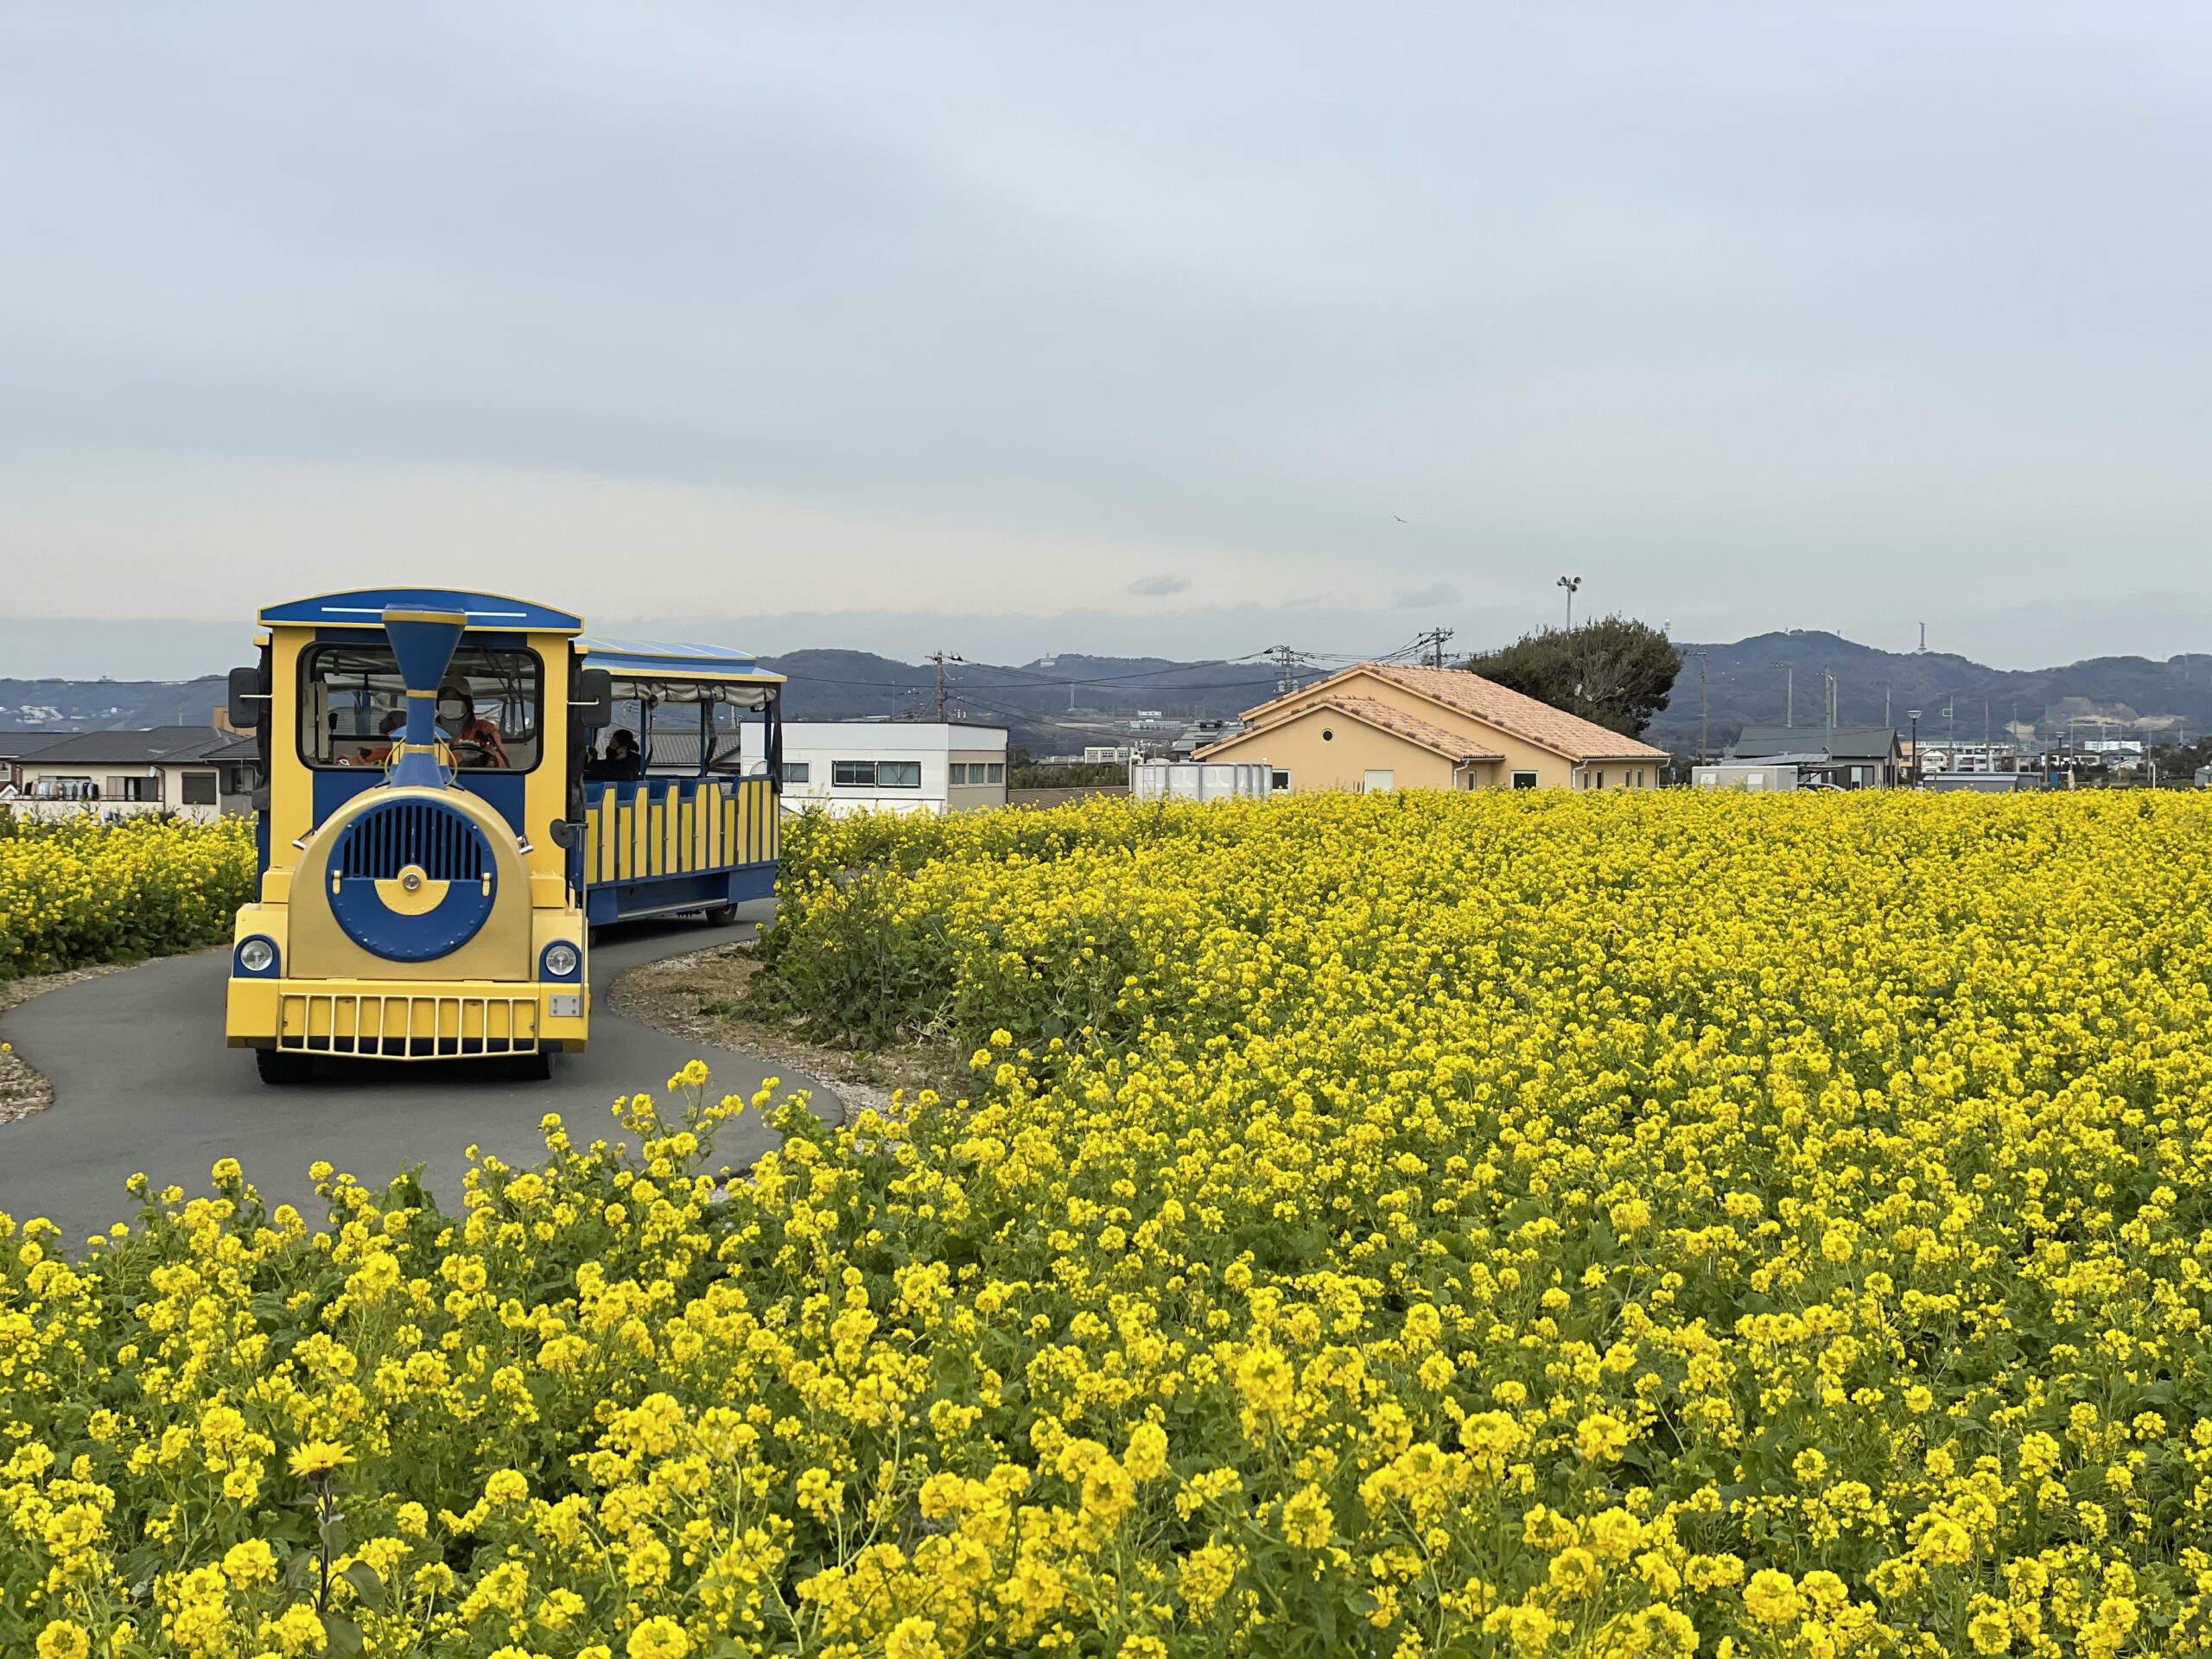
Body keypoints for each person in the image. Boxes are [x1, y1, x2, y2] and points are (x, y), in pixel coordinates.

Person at [437, 683, 508, 767]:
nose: (449, 704)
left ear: (467, 702)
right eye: (444, 699)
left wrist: (483, 759)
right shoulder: (429, 730)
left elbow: (501, 761)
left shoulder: (484, 729)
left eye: (455, 698)